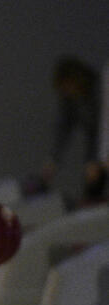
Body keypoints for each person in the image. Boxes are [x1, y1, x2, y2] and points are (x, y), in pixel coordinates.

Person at [42, 55, 105, 205]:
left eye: (66, 86)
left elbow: (102, 129)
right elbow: (64, 128)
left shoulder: (99, 89)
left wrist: (98, 159)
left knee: (94, 177)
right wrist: (52, 160)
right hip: (96, 145)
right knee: (92, 188)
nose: (66, 91)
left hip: (104, 143)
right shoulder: (71, 100)